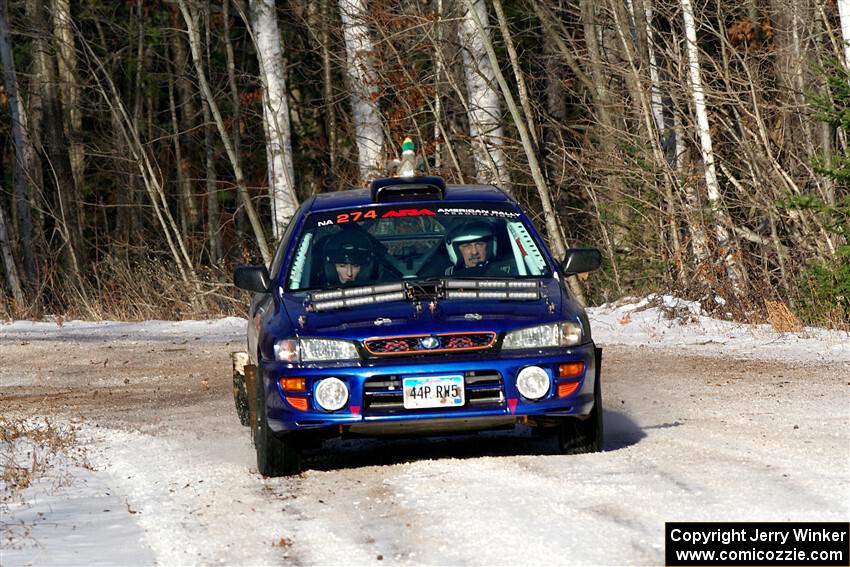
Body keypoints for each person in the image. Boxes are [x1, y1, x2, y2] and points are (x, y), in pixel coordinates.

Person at [444, 220, 515, 277]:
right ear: (454, 250)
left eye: (479, 244)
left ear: (490, 246)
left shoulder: (510, 270)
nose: (474, 252)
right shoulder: (444, 275)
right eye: (466, 246)